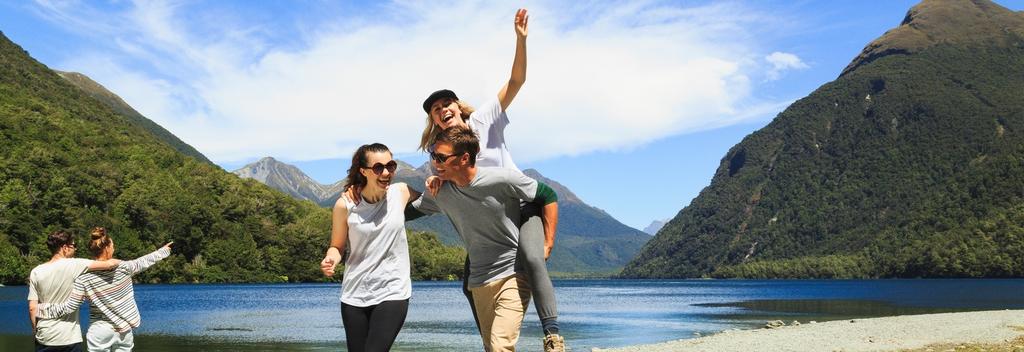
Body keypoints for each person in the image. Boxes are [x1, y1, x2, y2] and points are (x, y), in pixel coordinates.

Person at [418, 8, 565, 352]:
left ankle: (552, 333)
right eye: (435, 109)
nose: (442, 109)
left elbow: (516, 82)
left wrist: (521, 40)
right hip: (489, 220)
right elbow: (441, 184)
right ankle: (491, 343)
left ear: (457, 105)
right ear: (436, 122)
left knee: (531, 257)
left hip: (521, 206)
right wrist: (433, 185)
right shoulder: (440, 152)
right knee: (469, 281)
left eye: (446, 102)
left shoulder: (484, 119)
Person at [411, 126, 559, 352]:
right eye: (433, 156)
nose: (434, 163)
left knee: (500, 347)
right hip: (479, 281)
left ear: (464, 158)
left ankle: (553, 335)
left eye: (441, 157)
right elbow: (410, 211)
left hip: (512, 274)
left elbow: (547, 194)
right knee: (491, 348)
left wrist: (547, 242)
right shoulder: (441, 191)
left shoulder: (501, 179)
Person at [320, 143, 419, 352]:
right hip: (354, 294)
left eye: (390, 166)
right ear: (363, 171)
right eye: (378, 168)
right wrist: (331, 260)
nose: (386, 172)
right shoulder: (345, 205)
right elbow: (337, 246)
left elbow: (438, 197)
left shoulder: (401, 192)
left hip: (393, 291)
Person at [35, 227, 172, 352]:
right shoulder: (124, 268)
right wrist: (163, 251)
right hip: (124, 330)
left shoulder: (84, 277)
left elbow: (70, 307)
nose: (114, 247)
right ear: (107, 248)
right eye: (112, 245)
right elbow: (144, 261)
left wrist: (42, 309)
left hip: (99, 331)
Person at [28, 230, 121, 352]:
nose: (75, 249)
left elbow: (32, 308)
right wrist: (128, 264)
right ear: (65, 248)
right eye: (73, 246)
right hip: (69, 338)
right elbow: (109, 264)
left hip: (44, 337)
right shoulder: (75, 264)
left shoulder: (36, 271)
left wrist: (36, 331)